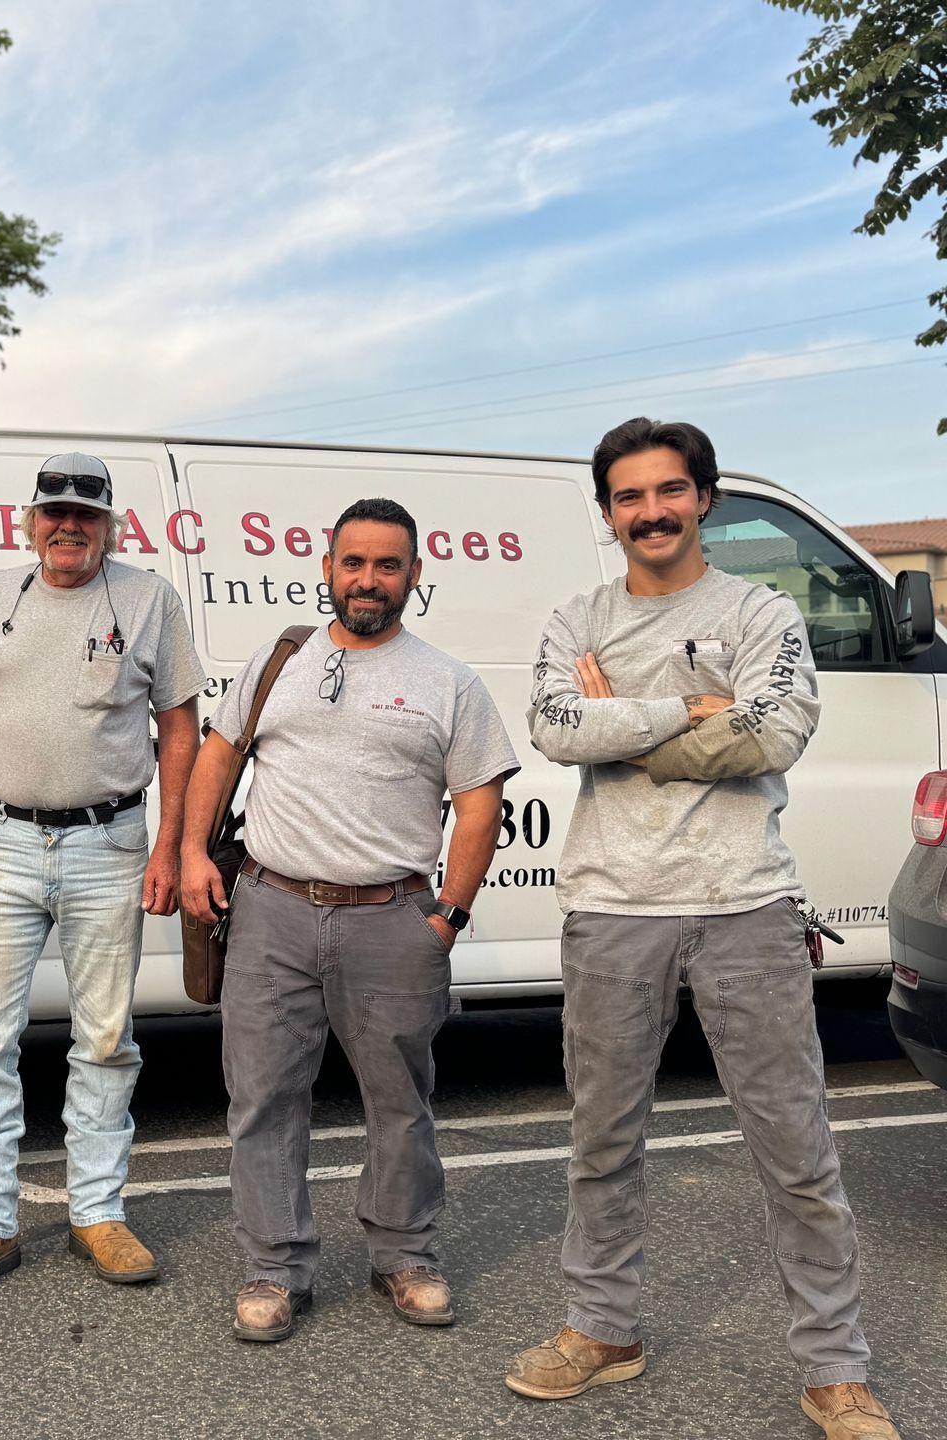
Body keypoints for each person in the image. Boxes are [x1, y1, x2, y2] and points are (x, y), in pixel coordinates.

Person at [508, 418, 898, 1440]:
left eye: (669, 491)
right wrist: (691, 710)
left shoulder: (762, 609)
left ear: (704, 498)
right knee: (603, 1141)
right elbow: (554, 728)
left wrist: (627, 718)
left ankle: (834, 1371)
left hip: (747, 907)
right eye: (630, 497)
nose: (651, 511)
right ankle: (603, 1329)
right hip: (611, 909)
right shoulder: (573, 615)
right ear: (608, 513)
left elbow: (774, 732)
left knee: (796, 1150)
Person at [179, 496, 517, 1343]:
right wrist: (189, 852)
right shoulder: (279, 657)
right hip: (271, 909)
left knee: (399, 1100)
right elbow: (218, 754)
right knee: (262, 1099)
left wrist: (446, 916)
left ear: (414, 576)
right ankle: (273, 1269)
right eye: (354, 562)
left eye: (388, 564)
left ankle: (405, 1256)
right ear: (327, 568)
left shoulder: (449, 682)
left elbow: (480, 805)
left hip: (391, 920)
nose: (369, 579)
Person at [0, 452, 204, 1299]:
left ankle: (99, 1213)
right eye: (54, 511)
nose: (67, 525)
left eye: (85, 513)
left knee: (106, 1040)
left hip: (109, 842)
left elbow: (179, 731)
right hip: (3, 841)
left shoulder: (150, 600)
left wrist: (167, 846)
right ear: (28, 520)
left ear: (111, 524)